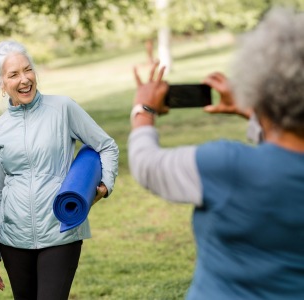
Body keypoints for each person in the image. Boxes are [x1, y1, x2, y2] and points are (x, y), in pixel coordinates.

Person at [128, 7, 304, 300]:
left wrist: (143, 109)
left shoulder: (229, 167)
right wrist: (251, 112)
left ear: (259, 86)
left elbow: (147, 165)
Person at [0, 40, 119, 300]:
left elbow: (107, 146)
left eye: (28, 69)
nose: (24, 79)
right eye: (13, 74)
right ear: (0, 84)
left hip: (61, 230)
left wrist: (105, 185)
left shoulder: (63, 108)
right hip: (13, 239)